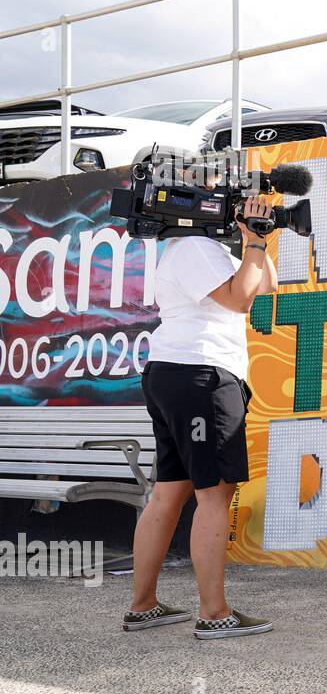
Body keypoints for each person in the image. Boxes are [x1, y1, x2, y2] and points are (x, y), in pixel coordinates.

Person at [125, 199, 279, 639]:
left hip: (178, 373)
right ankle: (214, 613)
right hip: (201, 376)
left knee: (169, 493)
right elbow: (239, 300)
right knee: (215, 494)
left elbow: (265, 286)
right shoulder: (194, 247)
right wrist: (252, 240)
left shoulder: (199, 249)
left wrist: (257, 241)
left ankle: (143, 606)